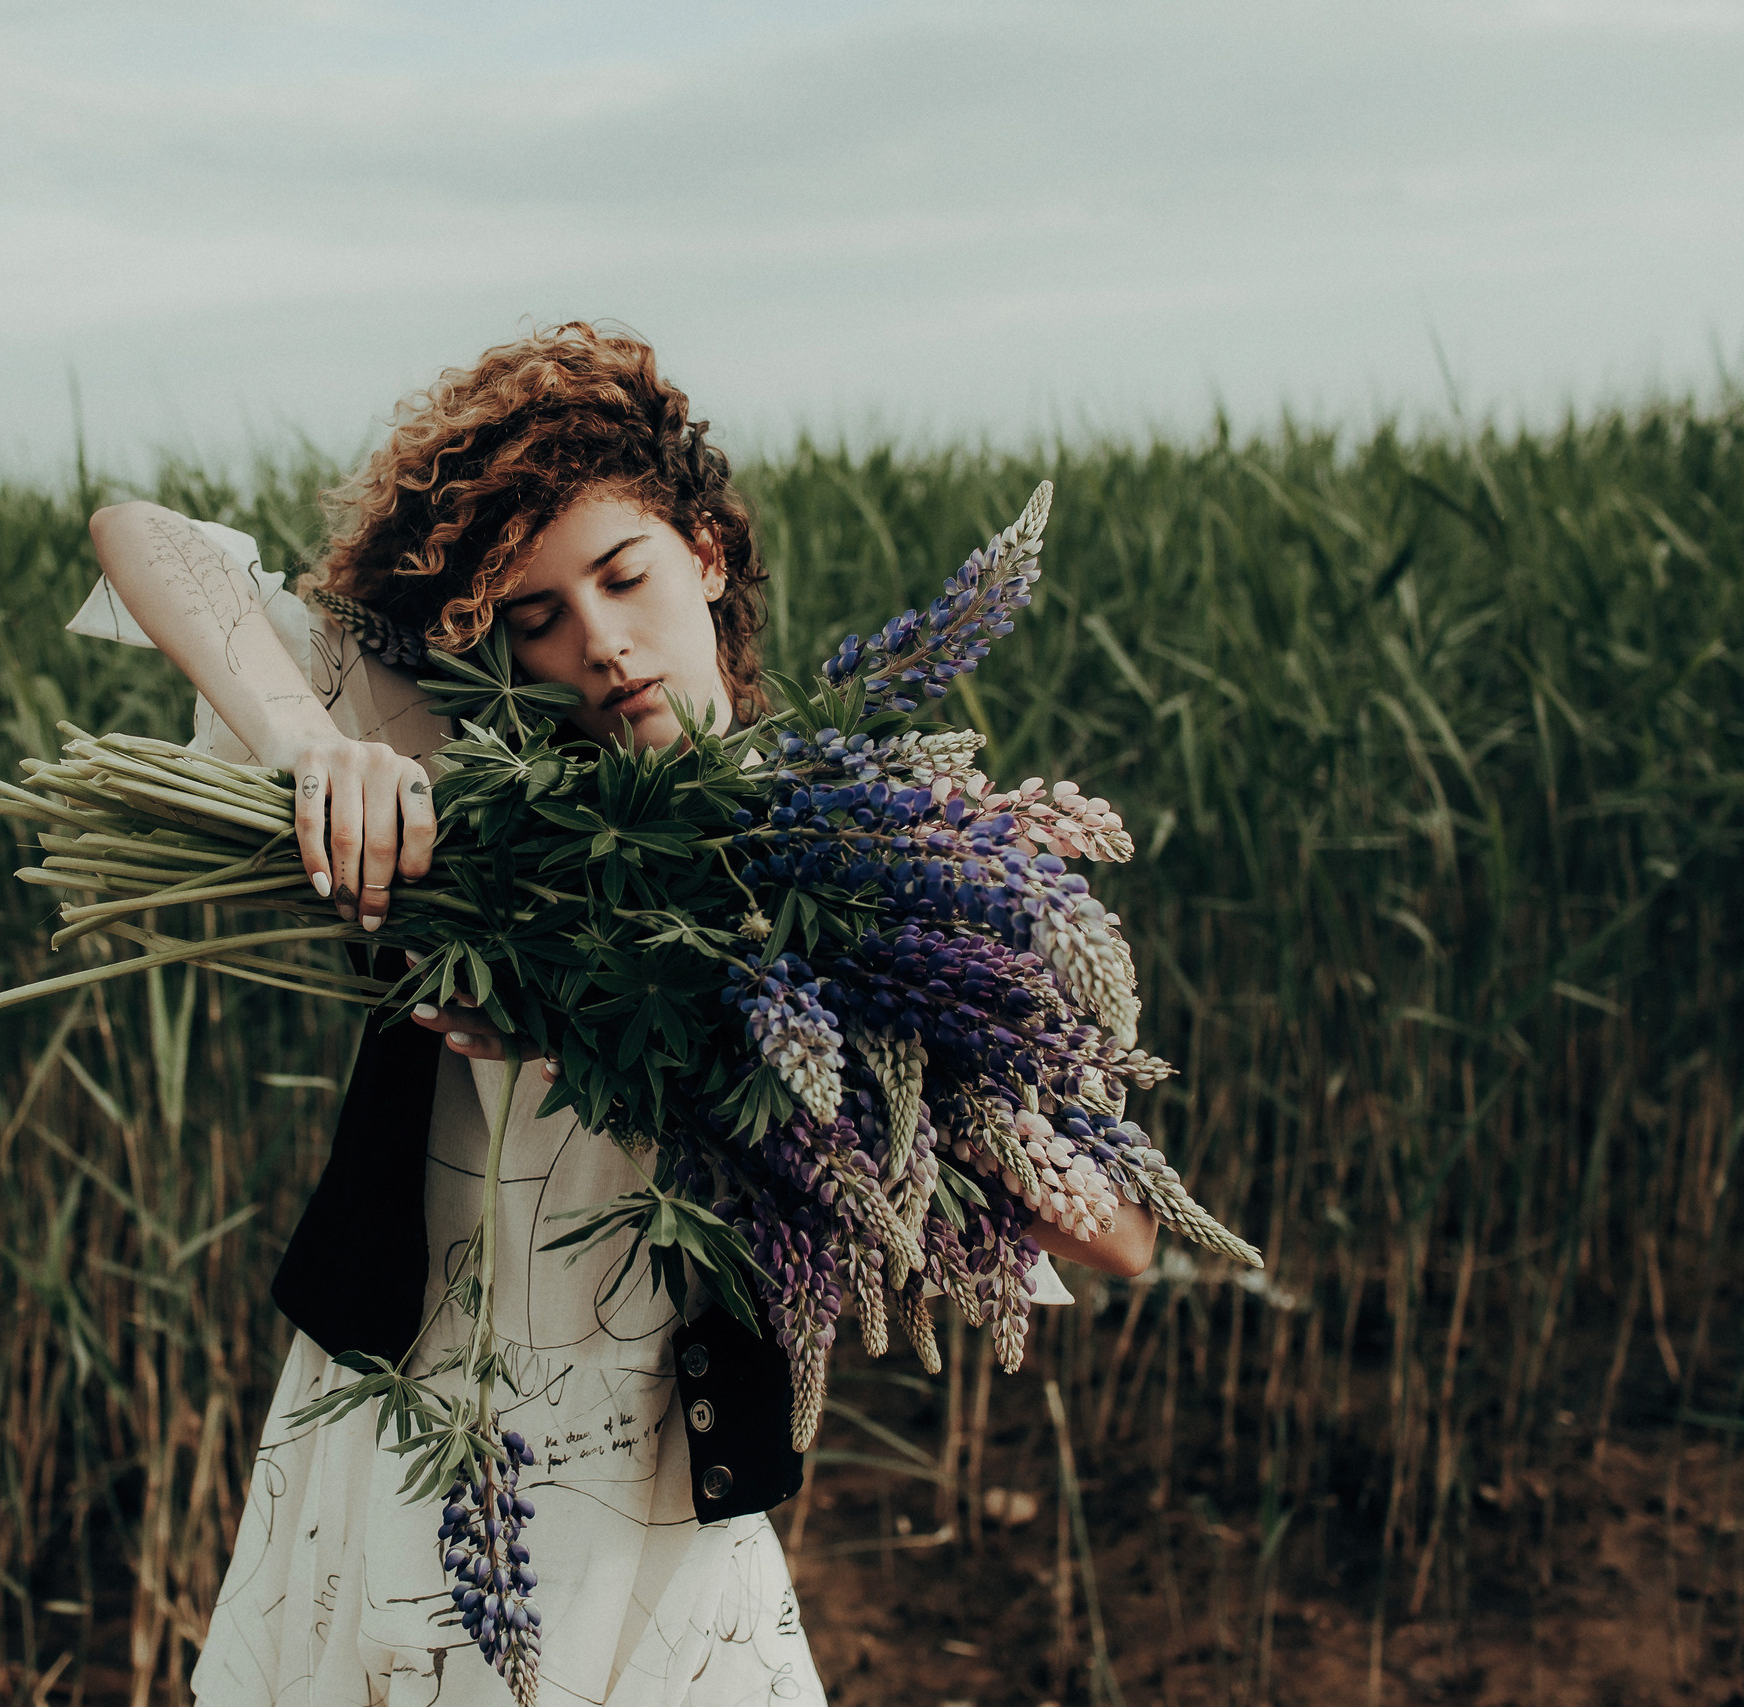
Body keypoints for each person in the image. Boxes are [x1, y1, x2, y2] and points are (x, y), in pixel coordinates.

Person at [75, 324, 1157, 1706]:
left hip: (649, 1495)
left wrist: (772, 1029)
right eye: (536, 618)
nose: (598, 644)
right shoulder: (462, 789)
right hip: (403, 1441)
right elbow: (145, 538)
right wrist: (310, 746)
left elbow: (1118, 1234)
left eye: (622, 575)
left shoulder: (868, 874)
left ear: (706, 552)